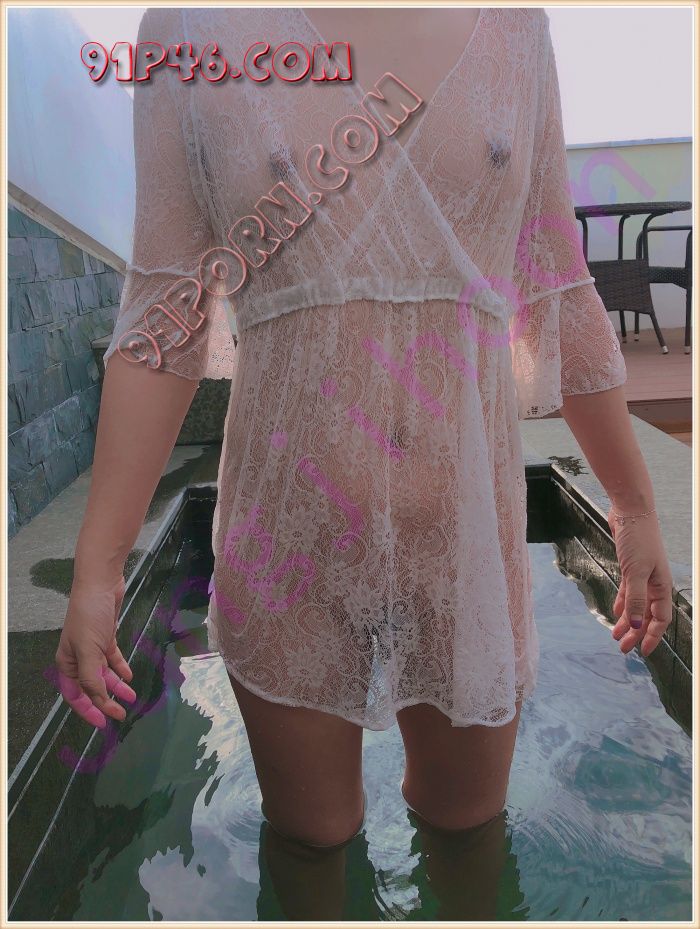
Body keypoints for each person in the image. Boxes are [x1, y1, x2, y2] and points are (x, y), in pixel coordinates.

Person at [56, 2, 673, 897]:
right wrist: (99, 568)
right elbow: (164, 314)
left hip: (467, 543)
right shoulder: (190, 33)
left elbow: (557, 281)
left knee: (468, 839)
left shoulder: (514, 30)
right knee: (311, 845)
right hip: (286, 541)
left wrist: (633, 502)